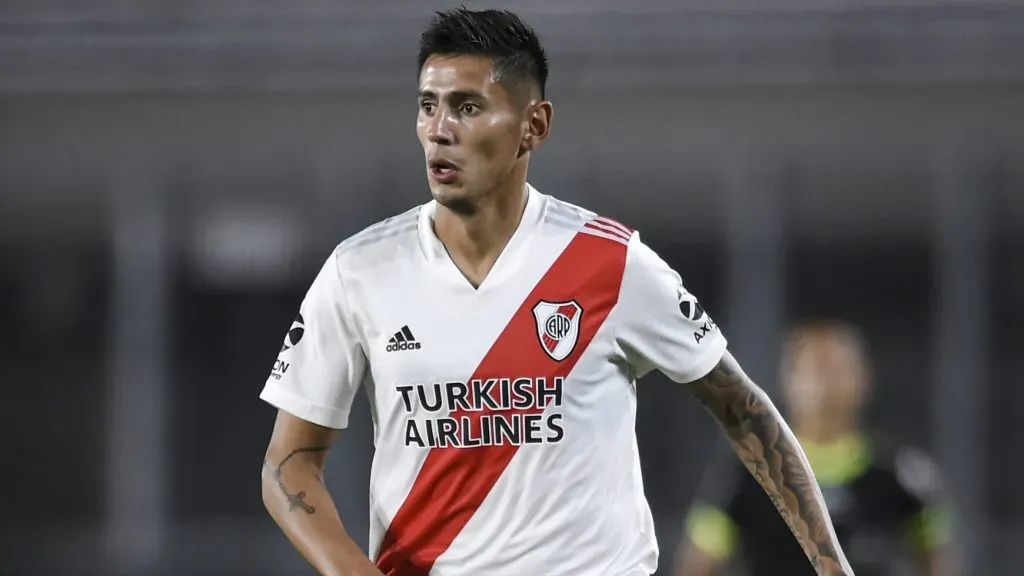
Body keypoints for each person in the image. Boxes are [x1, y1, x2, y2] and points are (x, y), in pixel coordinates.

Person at [259, 8, 854, 576]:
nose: (440, 130)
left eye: (468, 107)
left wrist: (833, 568)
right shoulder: (361, 270)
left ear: (533, 126)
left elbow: (745, 410)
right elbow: (288, 464)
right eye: (427, 106)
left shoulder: (609, 263)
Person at [674, 319, 956, 576]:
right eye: (814, 368)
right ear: (788, 380)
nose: (825, 384)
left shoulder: (901, 474)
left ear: (863, 377)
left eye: (837, 368)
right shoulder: (747, 472)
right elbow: (701, 561)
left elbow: (937, 558)